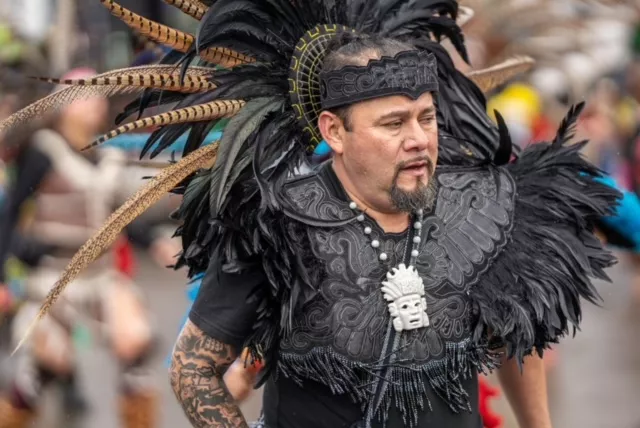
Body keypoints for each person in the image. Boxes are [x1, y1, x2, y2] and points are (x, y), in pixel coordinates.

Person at [0, 1, 620, 428]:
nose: (420, 140)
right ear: (336, 131)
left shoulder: (486, 206)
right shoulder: (276, 223)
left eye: (426, 119)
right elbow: (196, 371)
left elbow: (516, 329)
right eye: (393, 123)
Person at [0, 67, 178, 428]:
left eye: (97, 96)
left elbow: (120, 213)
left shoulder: (107, 156)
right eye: (84, 96)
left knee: (135, 340)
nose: (93, 105)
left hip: (102, 273)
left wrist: (154, 240)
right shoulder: (43, 150)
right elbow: (12, 212)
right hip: (53, 275)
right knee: (50, 362)